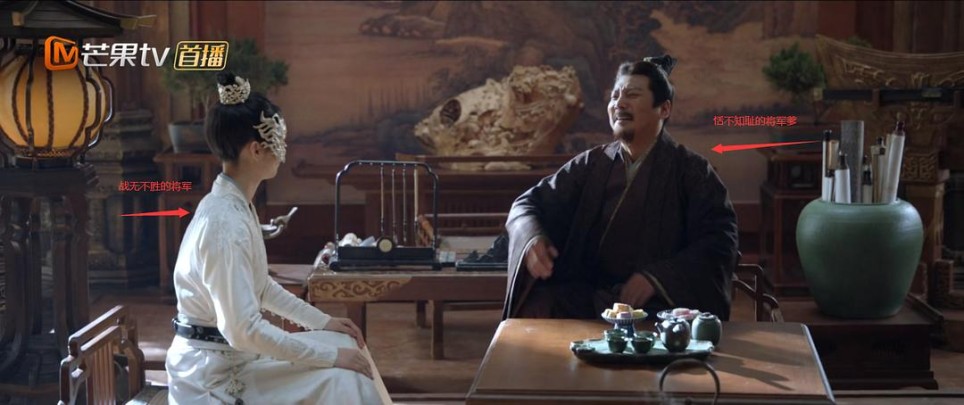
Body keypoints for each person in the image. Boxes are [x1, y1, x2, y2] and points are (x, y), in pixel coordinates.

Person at [165, 72, 390, 404]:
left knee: (344, 344)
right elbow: (243, 330)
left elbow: (262, 287)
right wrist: (328, 357)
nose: (283, 152)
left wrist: (324, 322)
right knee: (344, 377)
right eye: (278, 142)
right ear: (256, 150)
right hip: (214, 375)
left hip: (234, 356)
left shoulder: (235, 204)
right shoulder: (224, 224)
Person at [503, 55, 739, 321]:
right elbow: (527, 204)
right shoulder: (592, 164)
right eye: (614, 96)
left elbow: (721, 240)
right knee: (541, 306)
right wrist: (532, 237)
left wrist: (657, 278)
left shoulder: (692, 171)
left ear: (664, 109)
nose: (619, 103)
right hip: (590, 299)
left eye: (632, 95)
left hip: (659, 306)